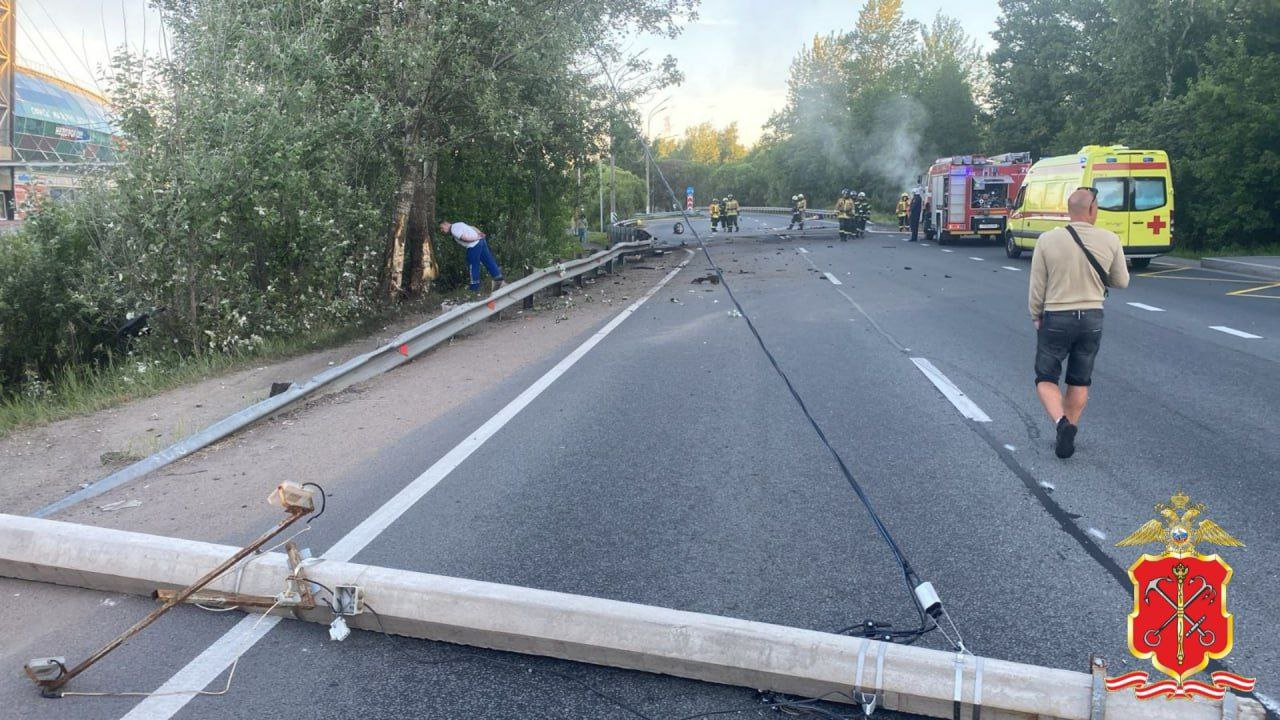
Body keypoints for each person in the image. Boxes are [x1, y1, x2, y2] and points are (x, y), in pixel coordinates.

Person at [1028, 187, 1130, 459]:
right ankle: (1070, 429)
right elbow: (1122, 281)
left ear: (1068, 210)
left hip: (1057, 317)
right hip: (1092, 318)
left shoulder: (1047, 240)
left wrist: (1036, 314)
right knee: (1079, 379)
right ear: (1093, 209)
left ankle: (1062, 426)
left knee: (1046, 377)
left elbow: (1038, 286)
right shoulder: (1110, 239)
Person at [440, 219, 505, 293]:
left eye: (442, 228)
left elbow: (465, 238)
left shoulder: (453, 229)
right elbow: (472, 227)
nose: (442, 230)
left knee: (473, 266)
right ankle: (499, 280)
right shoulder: (458, 224)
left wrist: (476, 238)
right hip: (481, 241)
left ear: (445, 224)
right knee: (488, 260)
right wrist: (480, 234)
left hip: (473, 245)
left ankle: (474, 288)